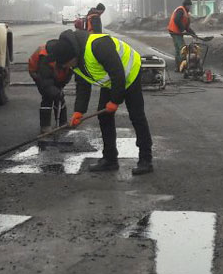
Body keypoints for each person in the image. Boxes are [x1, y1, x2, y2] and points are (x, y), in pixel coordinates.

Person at [49, 29, 152, 176]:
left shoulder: (98, 45)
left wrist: (115, 101)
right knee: (104, 116)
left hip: (130, 72)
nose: (68, 67)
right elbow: (83, 85)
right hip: (111, 81)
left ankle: (146, 160)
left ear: (73, 56)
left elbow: (118, 73)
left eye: (67, 64)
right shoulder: (75, 62)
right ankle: (110, 159)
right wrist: (79, 111)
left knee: (137, 116)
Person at [27, 39, 74, 132]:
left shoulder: (67, 55)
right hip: (39, 75)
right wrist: (55, 92)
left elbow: (68, 73)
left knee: (59, 97)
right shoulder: (44, 58)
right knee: (48, 97)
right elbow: (46, 83)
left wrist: (61, 86)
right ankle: (45, 126)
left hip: (54, 74)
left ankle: (62, 123)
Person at [167, 0, 200, 70]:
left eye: (190, 6)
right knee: (182, 48)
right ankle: (182, 66)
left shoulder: (186, 14)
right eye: (189, 6)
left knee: (178, 48)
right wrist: (182, 30)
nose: (190, 7)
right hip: (175, 31)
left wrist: (193, 34)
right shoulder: (180, 10)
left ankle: (178, 66)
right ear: (186, 5)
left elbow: (187, 27)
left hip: (176, 31)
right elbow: (176, 20)